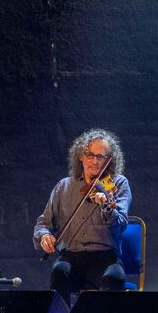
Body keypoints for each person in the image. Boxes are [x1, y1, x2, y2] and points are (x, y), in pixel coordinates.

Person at [34, 128, 131, 303]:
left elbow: (121, 225)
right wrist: (44, 235)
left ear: (109, 160)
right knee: (59, 272)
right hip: (71, 256)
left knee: (114, 278)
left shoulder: (117, 184)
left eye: (100, 157)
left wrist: (107, 207)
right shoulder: (64, 186)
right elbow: (43, 223)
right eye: (89, 155)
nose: (94, 161)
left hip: (106, 256)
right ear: (80, 156)